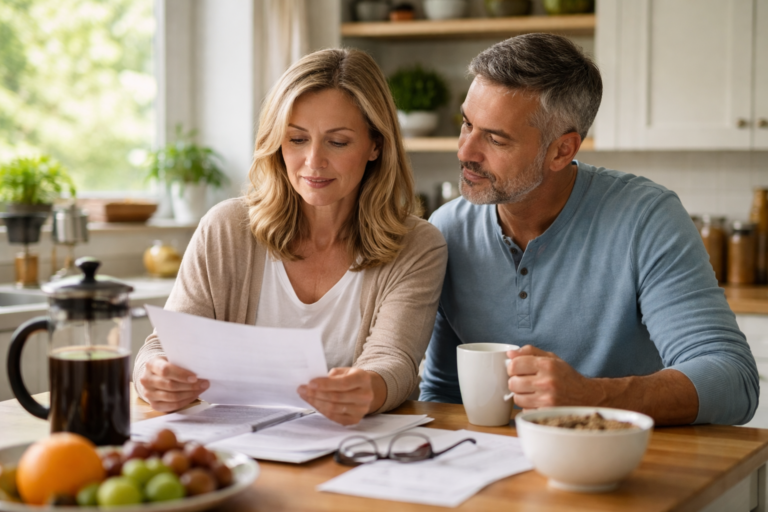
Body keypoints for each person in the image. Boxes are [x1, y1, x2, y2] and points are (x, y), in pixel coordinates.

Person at [419, 33, 759, 426]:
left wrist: (591, 396)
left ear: (562, 150)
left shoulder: (645, 218)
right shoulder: (446, 230)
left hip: (622, 465)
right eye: (466, 124)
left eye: (495, 138)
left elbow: (735, 381)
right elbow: (443, 393)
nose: (465, 151)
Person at [134, 48, 447, 425]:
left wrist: (367, 387)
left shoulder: (417, 245)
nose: (313, 161)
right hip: (233, 449)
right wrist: (153, 375)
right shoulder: (226, 228)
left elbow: (393, 361)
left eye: (338, 141)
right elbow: (162, 346)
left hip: (350, 451)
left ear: (375, 145)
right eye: (297, 139)